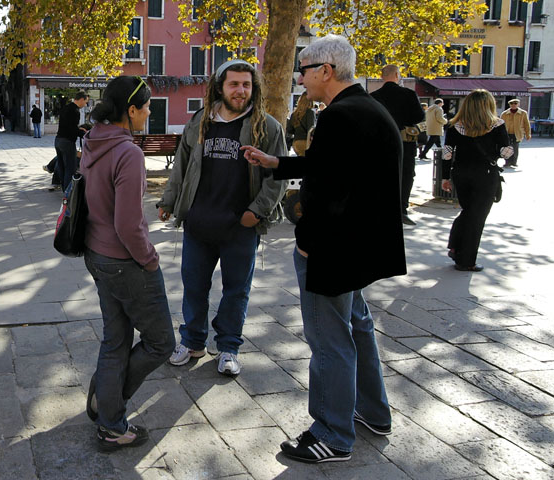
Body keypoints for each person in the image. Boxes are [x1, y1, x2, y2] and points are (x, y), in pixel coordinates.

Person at [241, 34, 406, 464]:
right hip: (361, 249)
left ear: (326, 71)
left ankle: (333, 434)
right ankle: (373, 412)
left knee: (330, 342)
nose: (299, 77)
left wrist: (309, 243)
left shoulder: (338, 117)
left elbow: (328, 189)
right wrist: (278, 163)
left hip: (333, 251)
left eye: (305, 69)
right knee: (358, 329)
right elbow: (333, 166)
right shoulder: (368, 110)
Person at [156, 60, 287, 376]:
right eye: (234, 84)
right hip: (199, 224)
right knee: (194, 287)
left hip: (239, 228)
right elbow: (182, 166)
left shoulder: (267, 127)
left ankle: (228, 347)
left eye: (246, 84)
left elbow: (278, 176)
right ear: (219, 87)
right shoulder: (200, 121)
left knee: (236, 291)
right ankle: (192, 342)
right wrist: (170, 201)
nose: (241, 91)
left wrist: (256, 212)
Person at [80, 75, 175, 451]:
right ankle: (110, 410)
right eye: (147, 106)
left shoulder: (92, 141)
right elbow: (128, 224)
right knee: (161, 343)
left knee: (115, 340)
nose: (150, 112)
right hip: (125, 261)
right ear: (131, 111)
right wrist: (149, 260)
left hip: (96, 255)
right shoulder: (129, 152)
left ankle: (109, 416)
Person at [441, 89, 512, 272]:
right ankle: (466, 260)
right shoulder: (497, 125)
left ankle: (456, 246)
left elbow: (447, 154)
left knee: (469, 211)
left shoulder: (453, 125)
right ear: (488, 105)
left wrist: (444, 177)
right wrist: (506, 150)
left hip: (461, 173)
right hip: (486, 174)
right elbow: (506, 152)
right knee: (477, 217)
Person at [371, 64, 426, 226]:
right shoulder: (409, 94)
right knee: (406, 174)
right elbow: (419, 116)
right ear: (397, 75)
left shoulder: (374, 96)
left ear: (382, 76)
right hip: (405, 142)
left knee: (382, 174)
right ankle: (401, 209)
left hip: (381, 143)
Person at [55, 92, 89, 191]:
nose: (85, 105)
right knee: (70, 168)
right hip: (67, 142)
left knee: (62, 167)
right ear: (81, 99)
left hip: (58, 140)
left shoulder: (66, 107)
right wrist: (83, 134)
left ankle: (64, 189)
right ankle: (68, 192)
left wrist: (78, 129)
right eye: (85, 102)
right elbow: (71, 129)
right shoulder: (75, 111)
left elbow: (67, 125)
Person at [499, 98, 530, 168]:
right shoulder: (504, 114)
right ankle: (507, 162)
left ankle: (514, 162)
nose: (513, 105)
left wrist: (528, 134)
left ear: (518, 104)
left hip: (517, 133)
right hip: (507, 133)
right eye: (511, 104)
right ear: (509, 105)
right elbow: (500, 124)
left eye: (515, 103)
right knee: (506, 148)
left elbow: (526, 124)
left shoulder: (523, 113)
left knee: (515, 148)